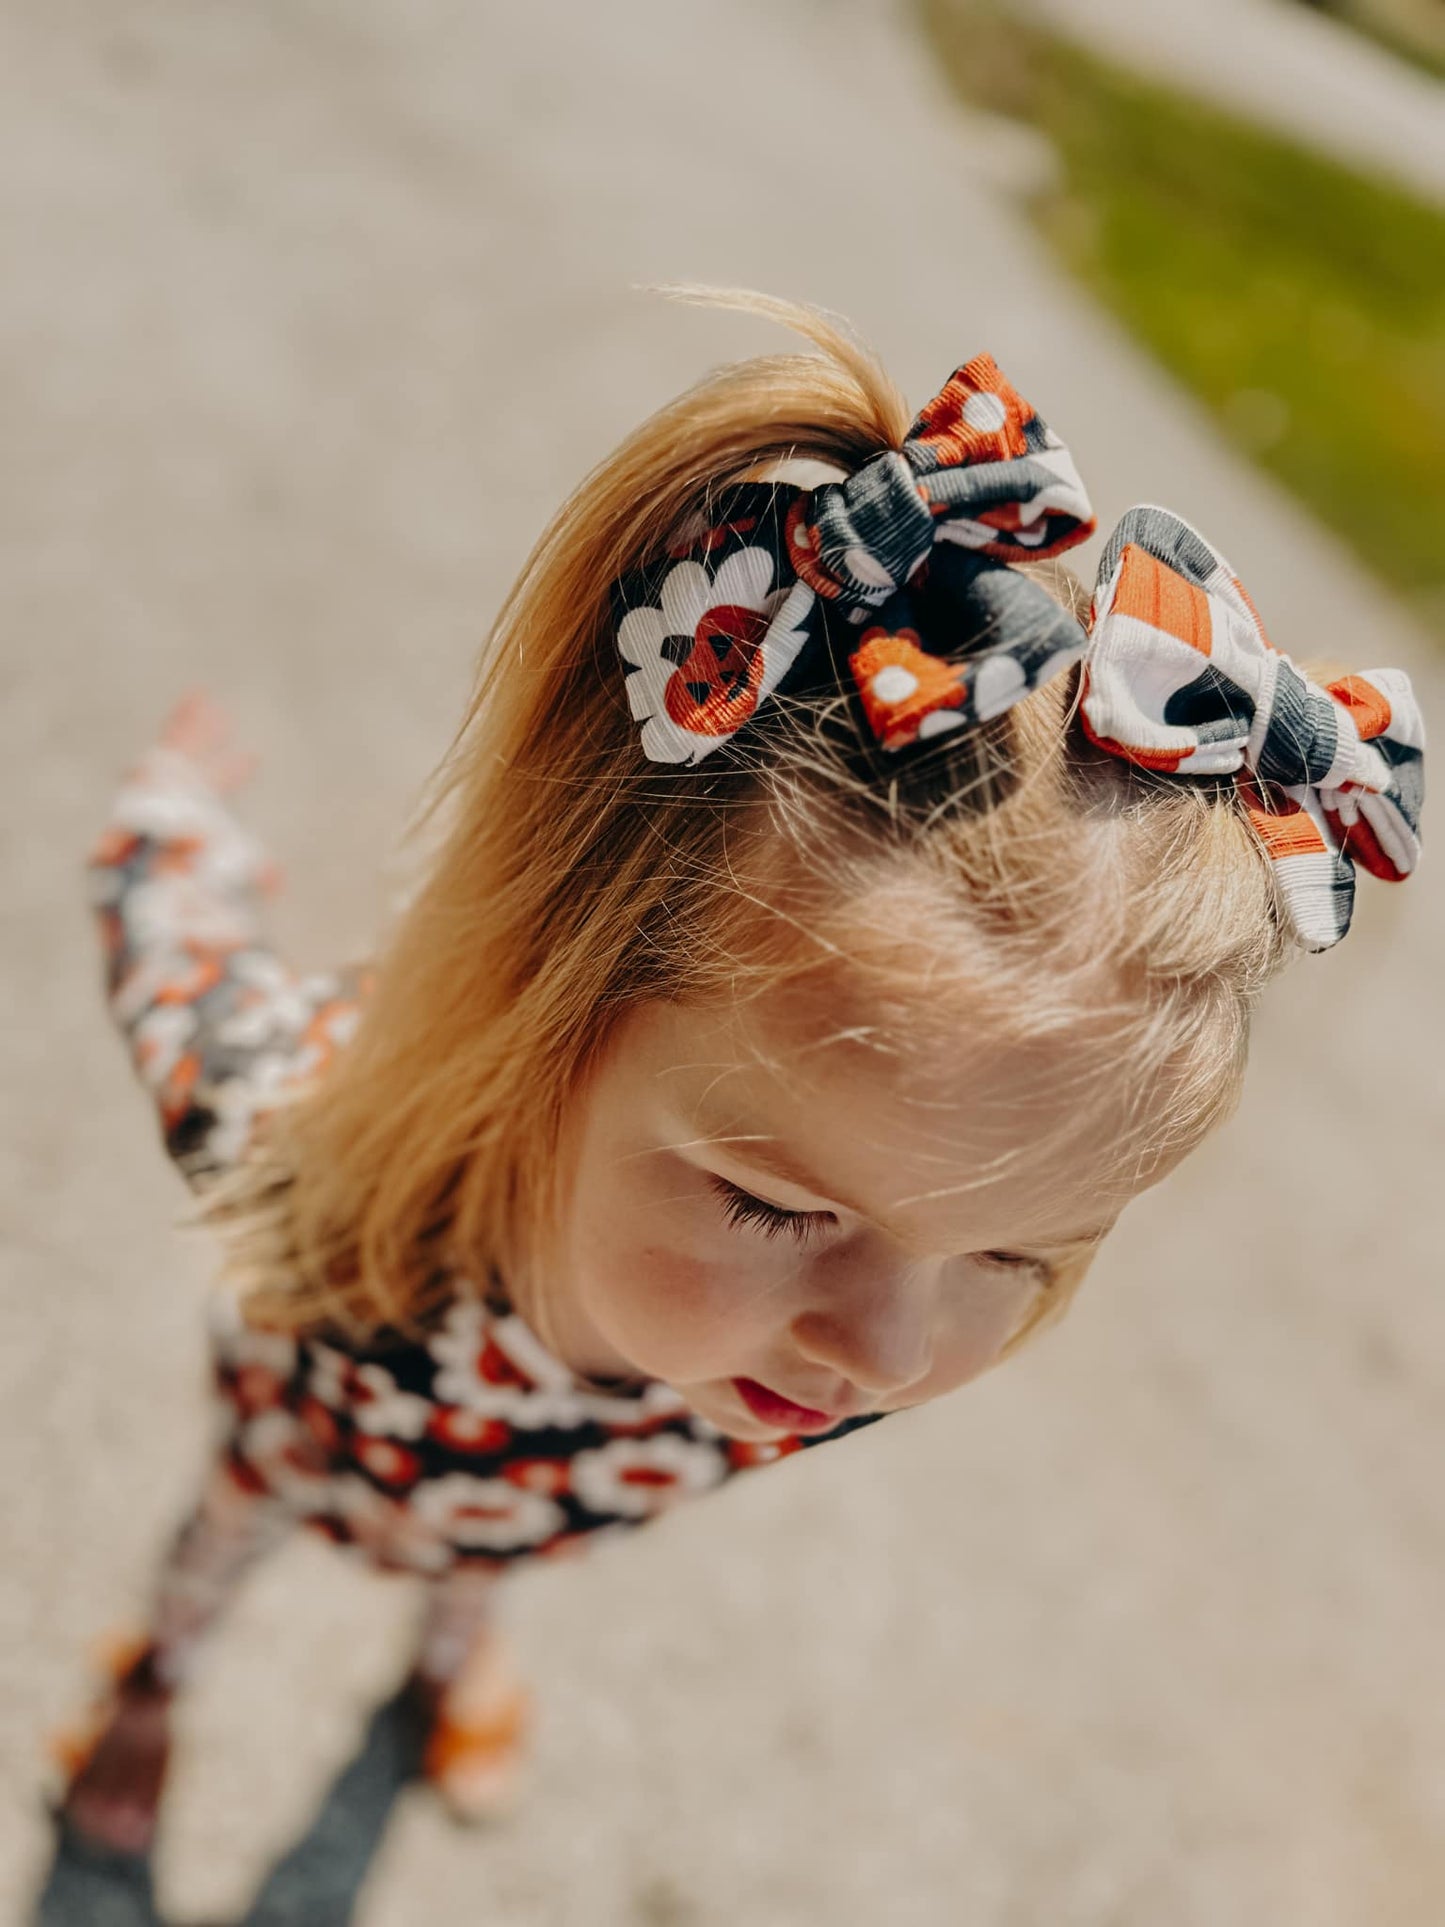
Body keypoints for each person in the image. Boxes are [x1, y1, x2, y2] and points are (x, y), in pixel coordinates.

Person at [54, 293, 1424, 1865]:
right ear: (556, 997)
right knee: (224, 1533)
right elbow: (180, 956)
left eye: (1010, 1253)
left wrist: (800, 1254)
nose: (885, 1356)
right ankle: (157, 1681)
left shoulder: (801, 1340)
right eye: (776, 1207)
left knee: (486, 1553)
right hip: (304, 1436)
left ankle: (450, 1645)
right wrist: (170, 813)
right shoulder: (293, 1145)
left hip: (551, 1490)